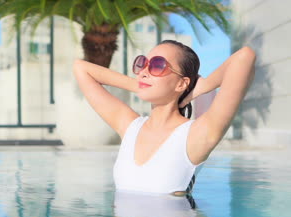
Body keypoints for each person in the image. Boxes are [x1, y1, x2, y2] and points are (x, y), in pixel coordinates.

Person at [73, 40, 256, 195]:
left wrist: (202, 86)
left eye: (158, 65)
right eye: (143, 63)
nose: (144, 71)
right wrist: (142, 84)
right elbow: (81, 68)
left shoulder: (195, 136)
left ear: (181, 83)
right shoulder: (129, 126)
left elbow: (245, 57)